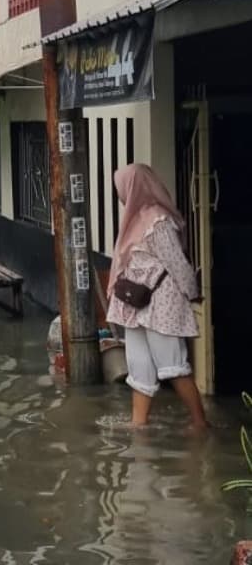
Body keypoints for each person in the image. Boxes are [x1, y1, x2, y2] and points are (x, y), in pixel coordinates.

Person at [106, 163, 207, 430]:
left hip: (162, 303)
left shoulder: (158, 220)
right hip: (135, 305)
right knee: (139, 366)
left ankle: (199, 423)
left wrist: (192, 294)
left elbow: (178, 264)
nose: (120, 195)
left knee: (172, 365)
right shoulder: (134, 219)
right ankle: (139, 425)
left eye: (122, 188)